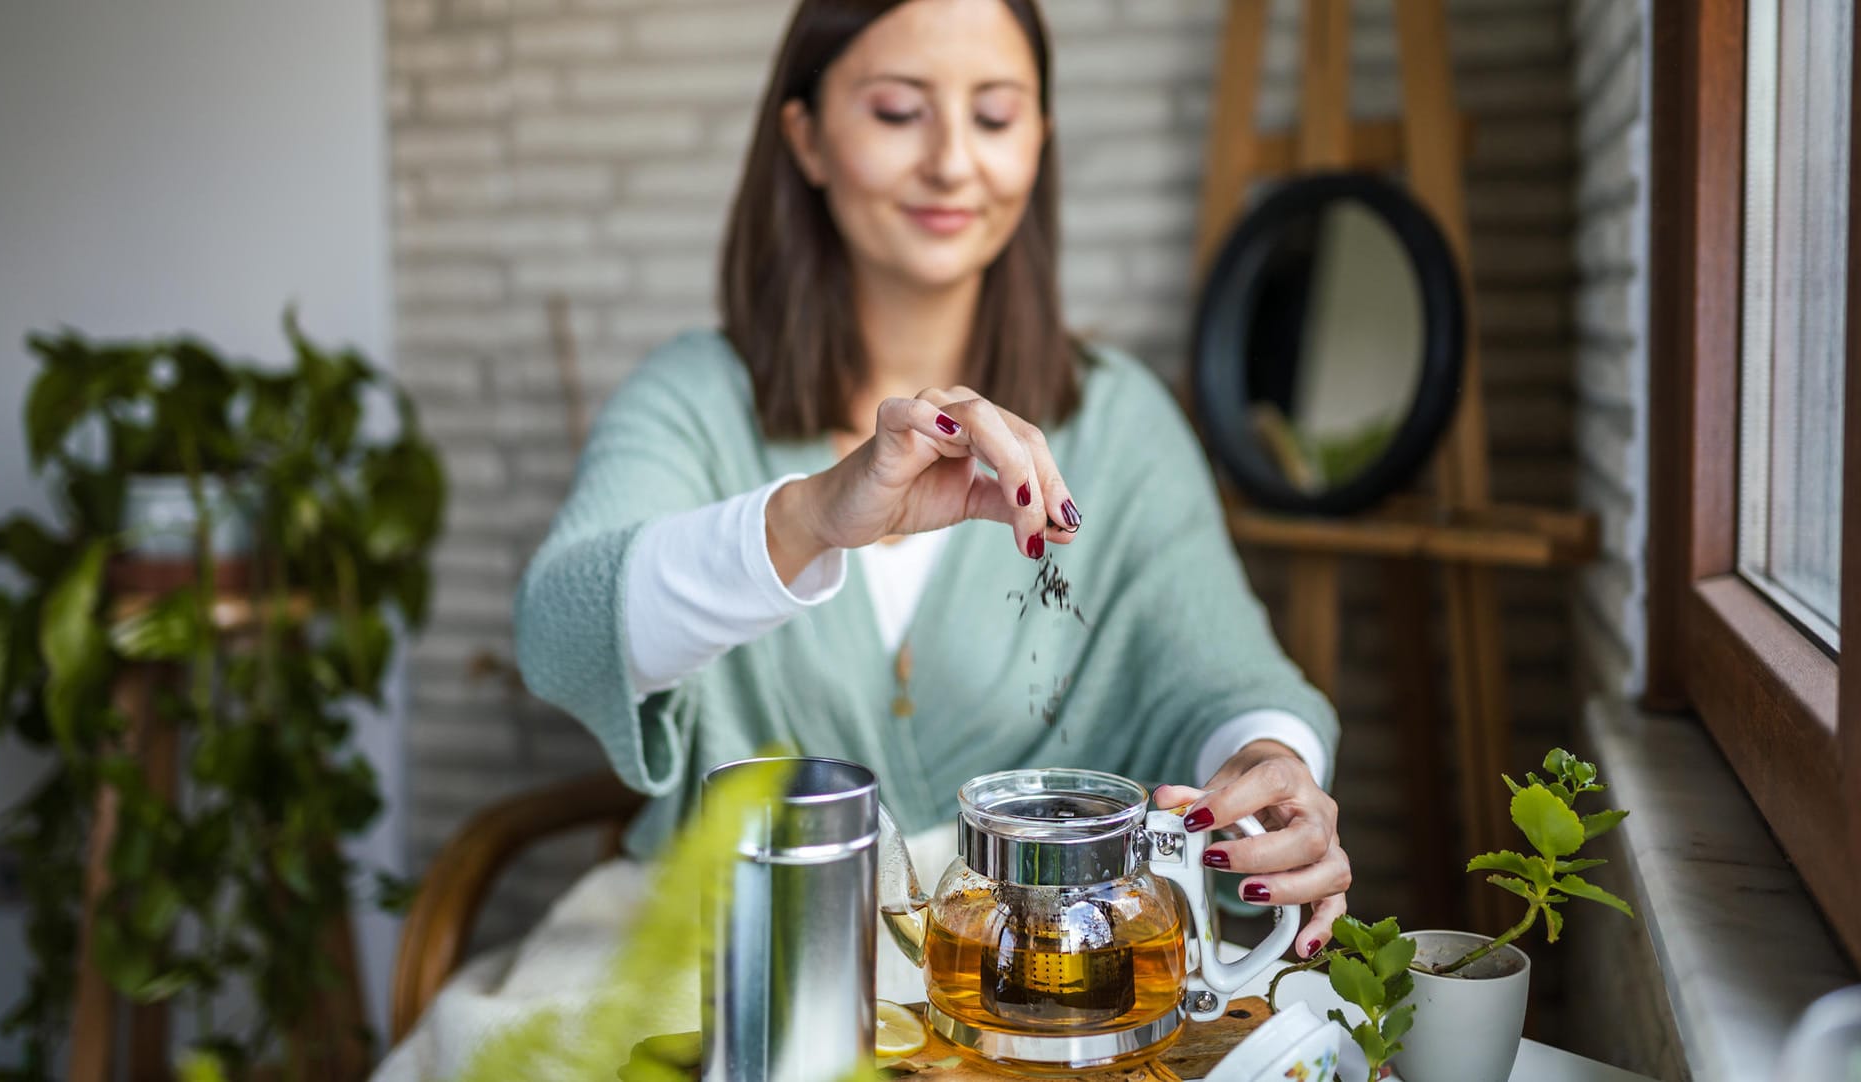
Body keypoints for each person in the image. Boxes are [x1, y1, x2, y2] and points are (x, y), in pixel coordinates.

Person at [376, 0, 1349, 1076]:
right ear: (804, 137)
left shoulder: (1121, 421)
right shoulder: (695, 396)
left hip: (1025, 985)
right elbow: (561, 629)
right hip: (713, 956)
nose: (950, 162)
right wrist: (807, 519)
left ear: (1041, 139)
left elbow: (1227, 674)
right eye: (897, 111)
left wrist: (1269, 767)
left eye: (994, 115)